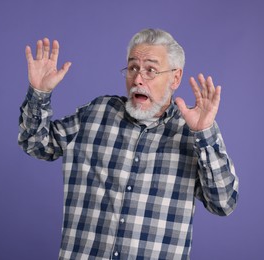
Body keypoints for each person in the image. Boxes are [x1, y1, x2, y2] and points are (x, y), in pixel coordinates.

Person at [18, 29, 239, 260]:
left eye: (151, 70)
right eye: (133, 68)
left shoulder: (193, 132)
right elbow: (35, 143)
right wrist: (39, 93)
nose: (138, 79)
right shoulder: (97, 113)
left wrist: (204, 133)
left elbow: (223, 203)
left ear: (175, 78)